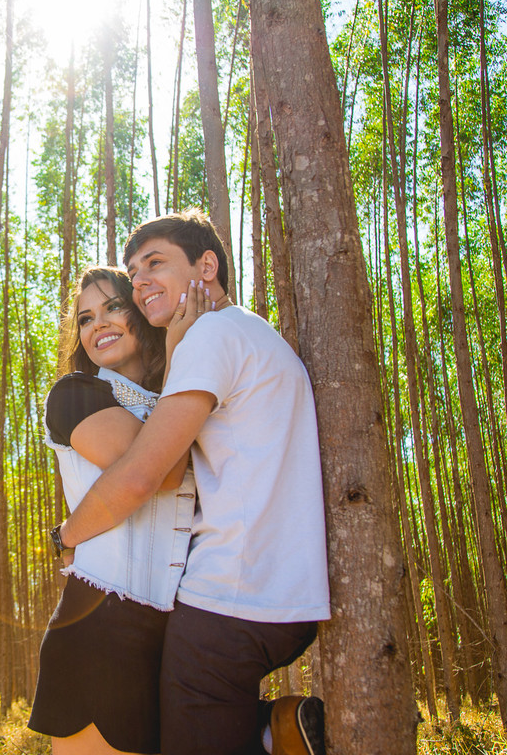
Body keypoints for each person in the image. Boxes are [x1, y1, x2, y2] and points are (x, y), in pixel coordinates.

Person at [56, 210, 331, 755]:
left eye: (155, 263)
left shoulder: (210, 337)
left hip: (230, 596)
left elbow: (143, 475)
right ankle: (274, 731)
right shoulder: (251, 332)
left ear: (207, 265)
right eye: (134, 273)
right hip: (284, 594)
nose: (140, 281)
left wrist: (66, 537)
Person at [28, 266, 204, 755]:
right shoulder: (75, 395)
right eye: (85, 318)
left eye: (112, 307)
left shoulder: (187, 397)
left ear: (141, 311)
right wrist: (179, 356)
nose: (97, 324)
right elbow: (159, 472)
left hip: (183, 636)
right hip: (101, 630)